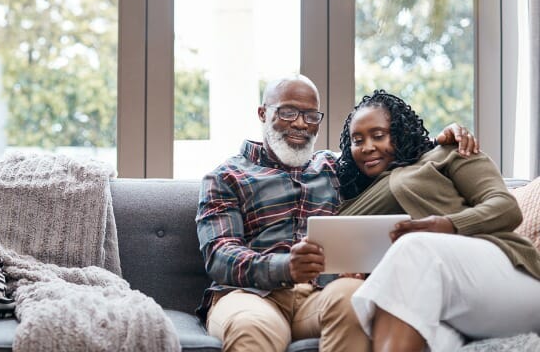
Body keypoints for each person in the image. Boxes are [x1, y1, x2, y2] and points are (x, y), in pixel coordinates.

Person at [195, 75, 477, 352]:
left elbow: (394, 158)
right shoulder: (226, 176)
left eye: (310, 115)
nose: (300, 123)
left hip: (321, 295)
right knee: (252, 327)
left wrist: (442, 141)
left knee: (354, 299)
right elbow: (220, 255)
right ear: (262, 113)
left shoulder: (337, 167)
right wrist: (284, 267)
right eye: (288, 112)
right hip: (251, 296)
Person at [336, 90, 540, 352]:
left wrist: (449, 225)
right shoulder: (355, 197)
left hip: (509, 278)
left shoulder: (447, 152)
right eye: (357, 140)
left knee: (413, 247)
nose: (367, 147)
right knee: (381, 303)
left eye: (378, 135)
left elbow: (506, 208)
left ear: (400, 131)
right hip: (443, 303)